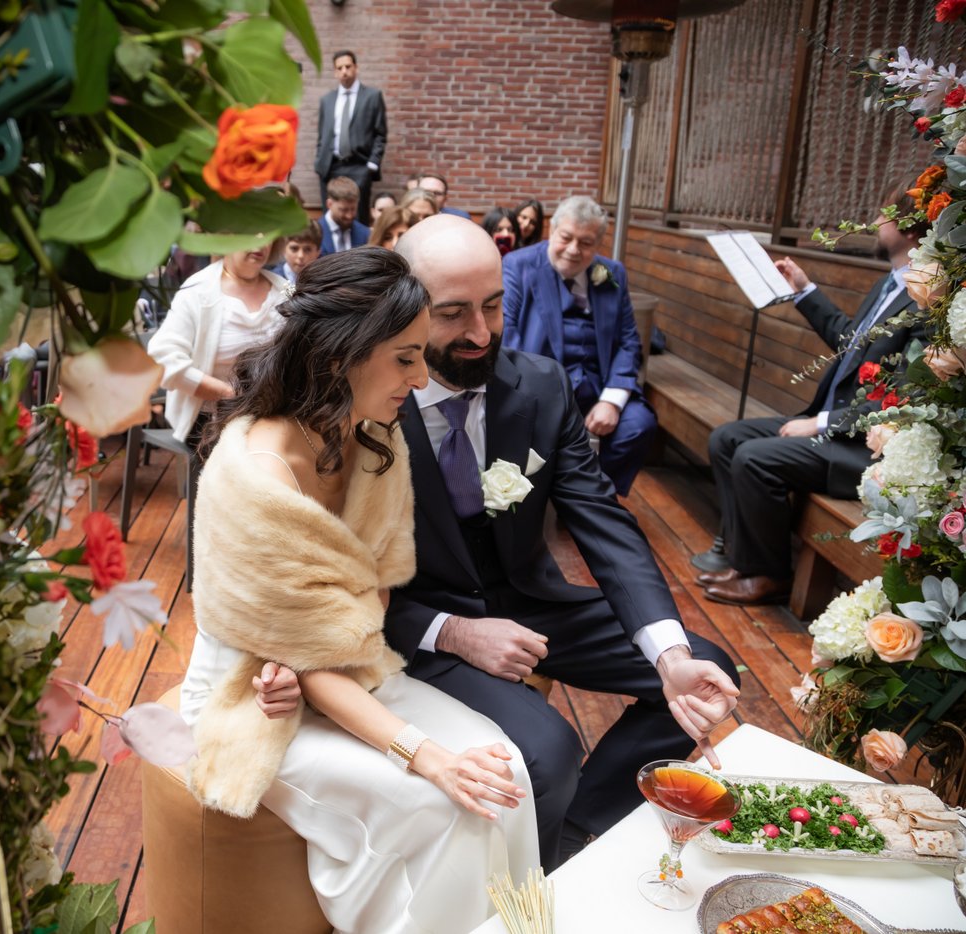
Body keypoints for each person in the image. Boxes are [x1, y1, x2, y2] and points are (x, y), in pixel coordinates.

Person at [183, 247, 541, 933]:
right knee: (442, 801)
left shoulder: (373, 436)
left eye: (419, 354)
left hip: (349, 668)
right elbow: (305, 662)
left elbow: (370, 596)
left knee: (505, 773)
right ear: (339, 355)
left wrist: (332, 638)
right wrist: (426, 755)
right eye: (403, 358)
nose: (421, 373)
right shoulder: (257, 474)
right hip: (254, 697)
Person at [384, 215, 738, 870]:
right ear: (404, 307)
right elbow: (344, 582)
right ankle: (530, 882)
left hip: (527, 599)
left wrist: (668, 655)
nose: (480, 334)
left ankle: (569, 839)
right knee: (547, 748)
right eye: (453, 314)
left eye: (493, 306)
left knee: (706, 671)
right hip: (415, 619)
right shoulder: (371, 405)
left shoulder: (540, 386)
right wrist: (454, 633)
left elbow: (602, 519)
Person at [693, 193, 929, 605]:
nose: (875, 221)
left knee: (754, 457)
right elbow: (851, 344)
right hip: (832, 427)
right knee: (726, 439)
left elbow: (907, 400)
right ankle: (744, 556)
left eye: (881, 214)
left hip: (862, 448)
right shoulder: (890, 282)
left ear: (906, 228)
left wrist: (821, 423)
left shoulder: (926, 301)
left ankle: (769, 574)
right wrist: (804, 291)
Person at [501, 196, 659, 496]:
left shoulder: (612, 273)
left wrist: (611, 401)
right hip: (541, 389)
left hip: (597, 387)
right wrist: (534, 396)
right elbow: (508, 335)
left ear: (598, 245)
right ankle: (557, 495)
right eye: (566, 238)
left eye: (586, 243)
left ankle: (594, 496)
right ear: (553, 230)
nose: (574, 250)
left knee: (638, 425)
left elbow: (628, 341)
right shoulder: (518, 265)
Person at [147, 243, 290, 445]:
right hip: (210, 422)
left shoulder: (283, 289)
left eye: (268, 234)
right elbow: (162, 359)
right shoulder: (198, 291)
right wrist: (230, 394)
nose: (261, 242)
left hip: (274, 415)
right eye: (251, 230)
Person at [314, 51, 387, 211]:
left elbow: (380, 134)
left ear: (356, 68)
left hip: (359, 166)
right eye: (339, 68)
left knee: (357, 215)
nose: (344, 71)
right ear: (335, 72)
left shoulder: (372, 96)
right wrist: (319, 162)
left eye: (348, 66)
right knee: (331, 217)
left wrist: (372, 165)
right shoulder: (327, 100)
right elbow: (322, 135)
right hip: (330, 166)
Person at [319, 176, 371, 254]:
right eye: (344, 210)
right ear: (329, 204)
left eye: (353, 209)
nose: (349, 215)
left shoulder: (365, 234)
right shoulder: (315, 234)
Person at [270, 220, 322, 286]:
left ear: (318, 252)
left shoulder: (323, 282)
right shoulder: (270, 281)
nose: (301, 256)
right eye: (294, 249)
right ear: (283, 249)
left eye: (307, 250)